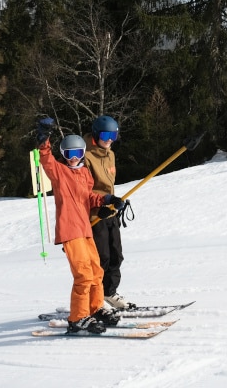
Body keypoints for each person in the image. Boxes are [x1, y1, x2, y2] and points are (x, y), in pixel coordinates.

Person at [35, 118, 125, 333]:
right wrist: (43, 138)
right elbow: (46, 159)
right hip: (70, 231)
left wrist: (107, 200)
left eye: (77, 154)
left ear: (83, 154)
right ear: (63, 155)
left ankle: (95, 309)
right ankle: (77, 318)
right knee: (83, 275)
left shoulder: (84, 174)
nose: (73, 159)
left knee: (96, 271)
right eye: (69, 154)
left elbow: (88, 197)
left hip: (85, 229)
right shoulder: (59, 173)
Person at [84, 115, 135, 309]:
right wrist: (99, 207)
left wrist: (114, 201)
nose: (110, 139)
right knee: (101, 259)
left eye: (114, 134)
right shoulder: (86, 157)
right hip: (95, 216)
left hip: (111, 213)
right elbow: (84, 191)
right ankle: (94, 299)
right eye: (106, 134)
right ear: (96, 134)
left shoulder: (110, 154)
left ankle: (109, 293)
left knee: (116, 256)